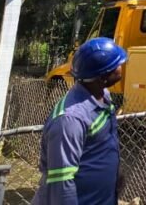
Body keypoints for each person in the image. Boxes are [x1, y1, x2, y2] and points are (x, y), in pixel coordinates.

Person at [33, 37, 127, 205]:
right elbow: (61, 181)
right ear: (102, 77)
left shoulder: (103, 95)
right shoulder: (70, 120)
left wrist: (114, 174)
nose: (121, 67)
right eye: (116, 65)